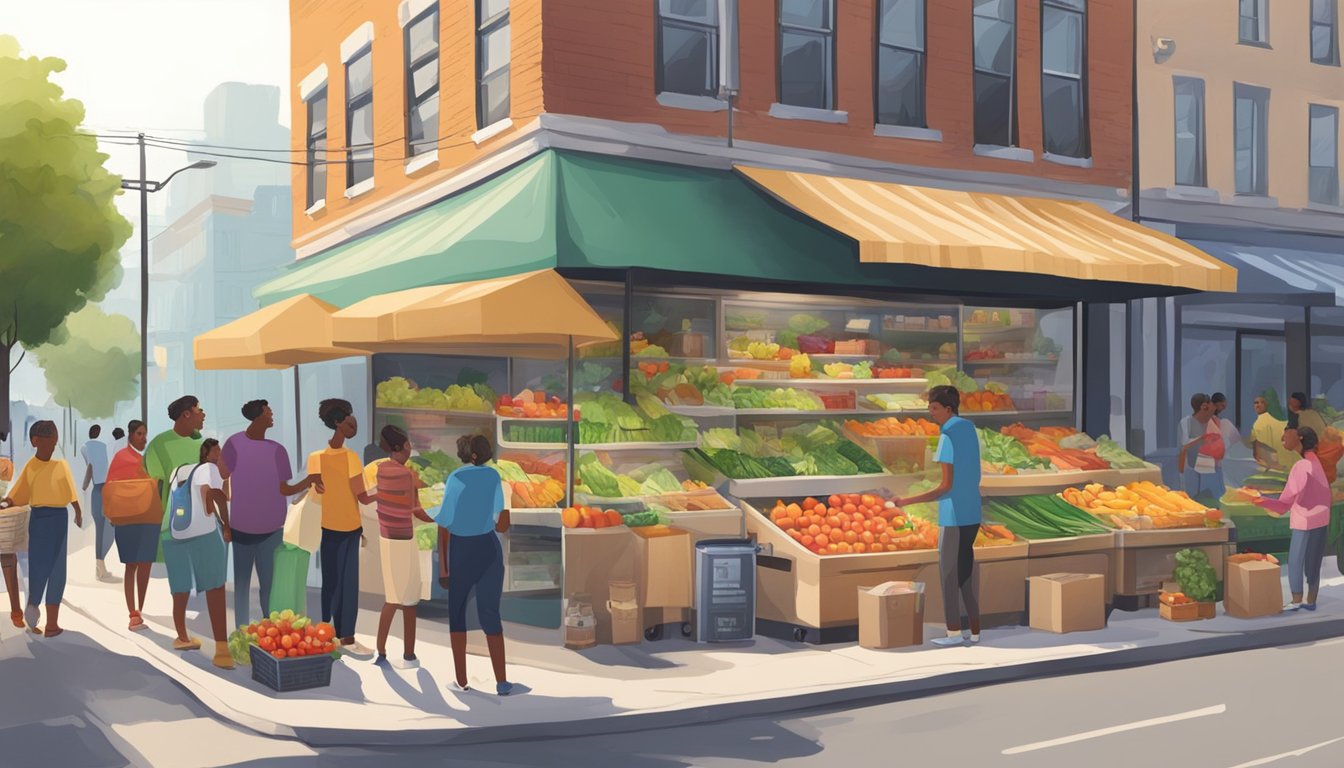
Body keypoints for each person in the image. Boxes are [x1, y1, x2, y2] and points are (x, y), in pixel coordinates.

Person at [894, 386, 982, 648]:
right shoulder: (968, 429)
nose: (931, 413)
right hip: (973, 510)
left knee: (948, 575)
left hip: (953, 514)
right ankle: (975, 631)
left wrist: (906, 501)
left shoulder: (948, 436)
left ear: (947, 408)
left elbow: (945, 487)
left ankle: (954, 633)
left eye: (934, 408)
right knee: (966, 572)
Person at [220, 400, 321, 626]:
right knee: (245, 584)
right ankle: (242, 631)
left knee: (268, 586)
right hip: (242, 529)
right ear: (258, 417)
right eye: (268, 412)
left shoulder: (277, 450)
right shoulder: (234, 444)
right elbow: (222, 475)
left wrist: (308, 481)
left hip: (272, 530)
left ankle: (269, 631)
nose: (272, 415)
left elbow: (284, 489)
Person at [436, 435, 516, 694]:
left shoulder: (456, 478)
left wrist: (444, 568)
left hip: (462, 550)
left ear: (466, 454)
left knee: (457, 614)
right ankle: (502, 682)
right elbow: (501, 521)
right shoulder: (493, 477)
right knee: (490, 615)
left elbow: (445, 521)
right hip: (488, 549)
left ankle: (461, 681)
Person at [0, 420, 83, 636]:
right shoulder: (31, 466)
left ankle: (52, 623)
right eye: (50, 440)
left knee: (58, 569)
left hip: (59, 518)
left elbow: (71, 491)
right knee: (39, 566)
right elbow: (19, 492)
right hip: (40, 518)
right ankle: (33, 607)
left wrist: (78, 511)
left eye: (55, 440)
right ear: (35, 441)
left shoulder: (61, 465)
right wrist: (6, 502)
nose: (54, 444)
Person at [308, 398, 375, 658]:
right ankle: (347, 638)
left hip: (328, 528)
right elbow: (363, 496)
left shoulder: (315, 458)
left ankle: (327, 634)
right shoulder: (351, 458)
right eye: (349, 417)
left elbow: (316, 492)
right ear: (338, 422)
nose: (353, 421)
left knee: (330, 583)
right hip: (349, 528)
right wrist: (384, 493)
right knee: (348, 584)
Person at [164, 439, 234, 668]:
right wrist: (226, 524)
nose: (221, 455)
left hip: (175, 534)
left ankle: (182, 637)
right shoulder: (209, 468)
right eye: (218, 451)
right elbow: (218, 498)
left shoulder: (178, 470)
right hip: (203, 534)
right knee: (215, 587)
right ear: (210, 453)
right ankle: (222, 651)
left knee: (180, 588)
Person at [372, 425, 434, 668]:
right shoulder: (407, 475)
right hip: (405, 540)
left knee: (393, 598)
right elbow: (416, 510)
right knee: (408, 600)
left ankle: (382, 651)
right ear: (403, 447)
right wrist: (438, 517)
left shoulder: (381, 469)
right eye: (408, 445)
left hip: (387, 538)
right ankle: (408, 653)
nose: (411, 449)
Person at [1250, 427, 1331, 612]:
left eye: (1288, 433)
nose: (1283, 437)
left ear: (1299, 438)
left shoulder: (1301, 466)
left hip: (1304, 521)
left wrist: (1257, 500)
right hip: (1322, 518)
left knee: (1295, 560)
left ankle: (1296, 601)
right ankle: (1310, 601)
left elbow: (1284, 504)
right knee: (1313, 561)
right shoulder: (1315, 462)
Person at [107, 420, 160, 631]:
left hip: (148, 517)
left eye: (145, 434)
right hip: (127, 518)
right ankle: (132, 612)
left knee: (146, 562)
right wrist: (112, 513)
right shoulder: (121, 458)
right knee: (131, 565)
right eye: (139, 434)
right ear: (130, 435)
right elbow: (111, 487)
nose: (144, 438)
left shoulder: (147, 460)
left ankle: (141, 608)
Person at [81, 424, 116, 582]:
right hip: (104, 490)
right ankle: (100, 564)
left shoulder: (86, 448)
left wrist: (84, 485)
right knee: (105, 528)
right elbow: (92, 468)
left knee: (102, 529)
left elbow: (90, 468)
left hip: (98, 490)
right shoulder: (102, 447)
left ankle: (100, 565)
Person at [1178, 393, 1226, 501]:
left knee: (1213, 501)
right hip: (1192, 468)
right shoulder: (1186, 422)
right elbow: (1184, 445)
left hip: (1212, 468)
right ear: (1204, 406)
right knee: (1194, 500)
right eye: (1210, 404)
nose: (1213, 407)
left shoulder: (1213, 421)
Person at [1245, 396, 1299, 471]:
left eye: (1262, 403)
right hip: (1291, 463)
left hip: (1279, 465)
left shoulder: (1259, 424)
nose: (1258, 405)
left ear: (1267, 405)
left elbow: (1260, 451)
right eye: (1256, 403)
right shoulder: (1278, 421)